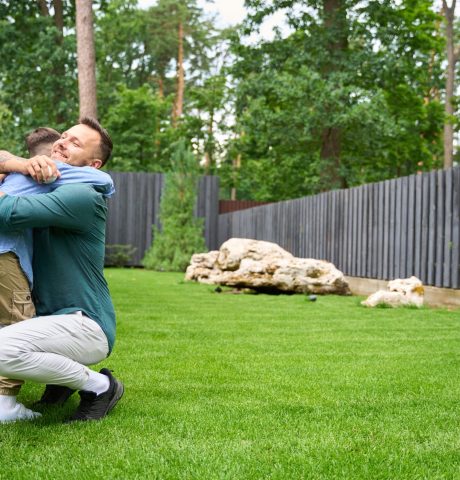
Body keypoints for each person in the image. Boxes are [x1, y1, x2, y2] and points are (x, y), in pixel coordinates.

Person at [0, 118, 123, 423]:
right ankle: (61, 382)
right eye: (64, 137)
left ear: (93, 164)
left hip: (85, 324)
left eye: (75, 143)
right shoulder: (44, 184)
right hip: (52, 319)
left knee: (2, 350)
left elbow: (6, 213)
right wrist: (18, 165)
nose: (62, 143)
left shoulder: (83, 196)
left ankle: (102, 386)